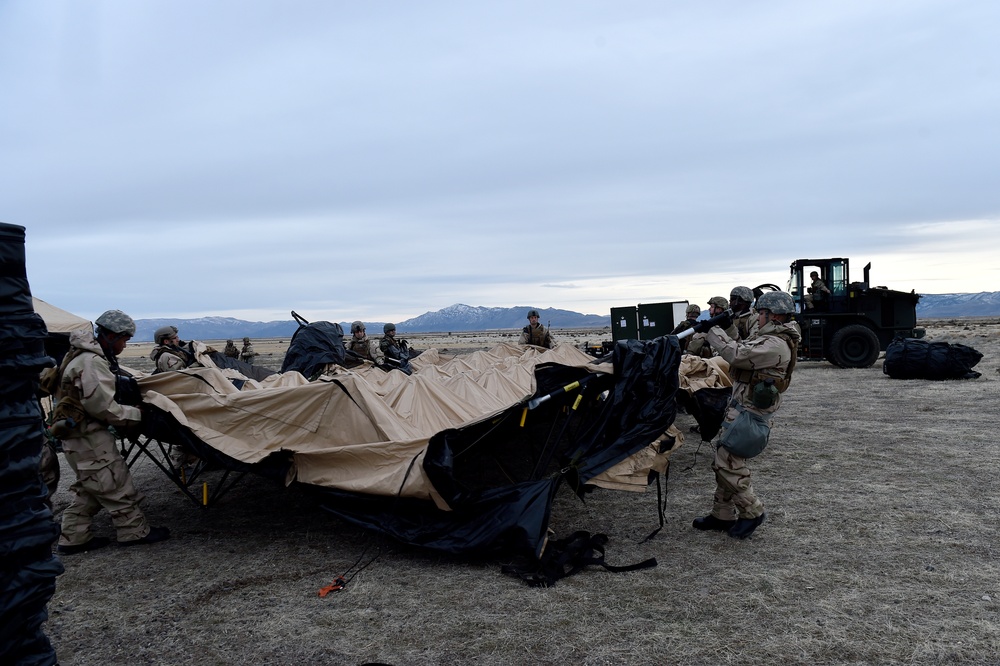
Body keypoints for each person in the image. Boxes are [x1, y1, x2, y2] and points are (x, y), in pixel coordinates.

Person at [52, 309, 170, 554]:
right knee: (115, 484)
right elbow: (104, 408)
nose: (125, 346)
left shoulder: (79, 356)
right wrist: (137, 414)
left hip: (79, 437)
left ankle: (73, 538)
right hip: (89, 437)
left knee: (91, 487)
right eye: (124, 340)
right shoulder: (91, 362)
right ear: (112, 336)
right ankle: (133, 532)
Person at [691, 290, 801, 539]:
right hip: (742, 407)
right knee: (725, 458)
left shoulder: (776, 344)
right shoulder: (770, 336)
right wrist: (726, 328)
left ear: (773, 315)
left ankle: (753, 511)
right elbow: (741, 342)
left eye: (760, 313)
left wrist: (711, 330)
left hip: (750, 412)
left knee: (727, 462)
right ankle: (723, 514)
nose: (757, 318)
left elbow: (737, 354)